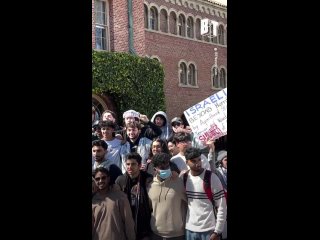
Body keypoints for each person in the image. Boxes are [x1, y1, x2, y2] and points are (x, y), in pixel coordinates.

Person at [183, 147, 227, 240]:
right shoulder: (184, 178)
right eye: (193, 161)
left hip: (209, 231)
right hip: (190, 230)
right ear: (187, 162)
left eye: (199, 160)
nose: (198, 163)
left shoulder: (212, 178)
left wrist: (217, 231)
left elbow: (222, 205)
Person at [148, 153, 187, 240]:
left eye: (167, 166)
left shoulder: (180, 182)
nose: (165, 169)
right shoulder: (150, 186)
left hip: (178, 235)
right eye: (162, 168)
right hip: (156, 234)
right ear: (155, 169)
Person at [115, 153, 153, 240]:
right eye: (128, 164)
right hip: (126, 220)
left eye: (133, 164)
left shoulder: (148, 178)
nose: (129, 167)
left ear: (139, 165)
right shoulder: (120, 180)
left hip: (144, 221)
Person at [92, 167, 136, 240]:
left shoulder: (120, 197)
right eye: (97, 179)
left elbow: (129, 222)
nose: (100, 181)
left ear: (108, 178)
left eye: (103, 178)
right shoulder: (94, 200)